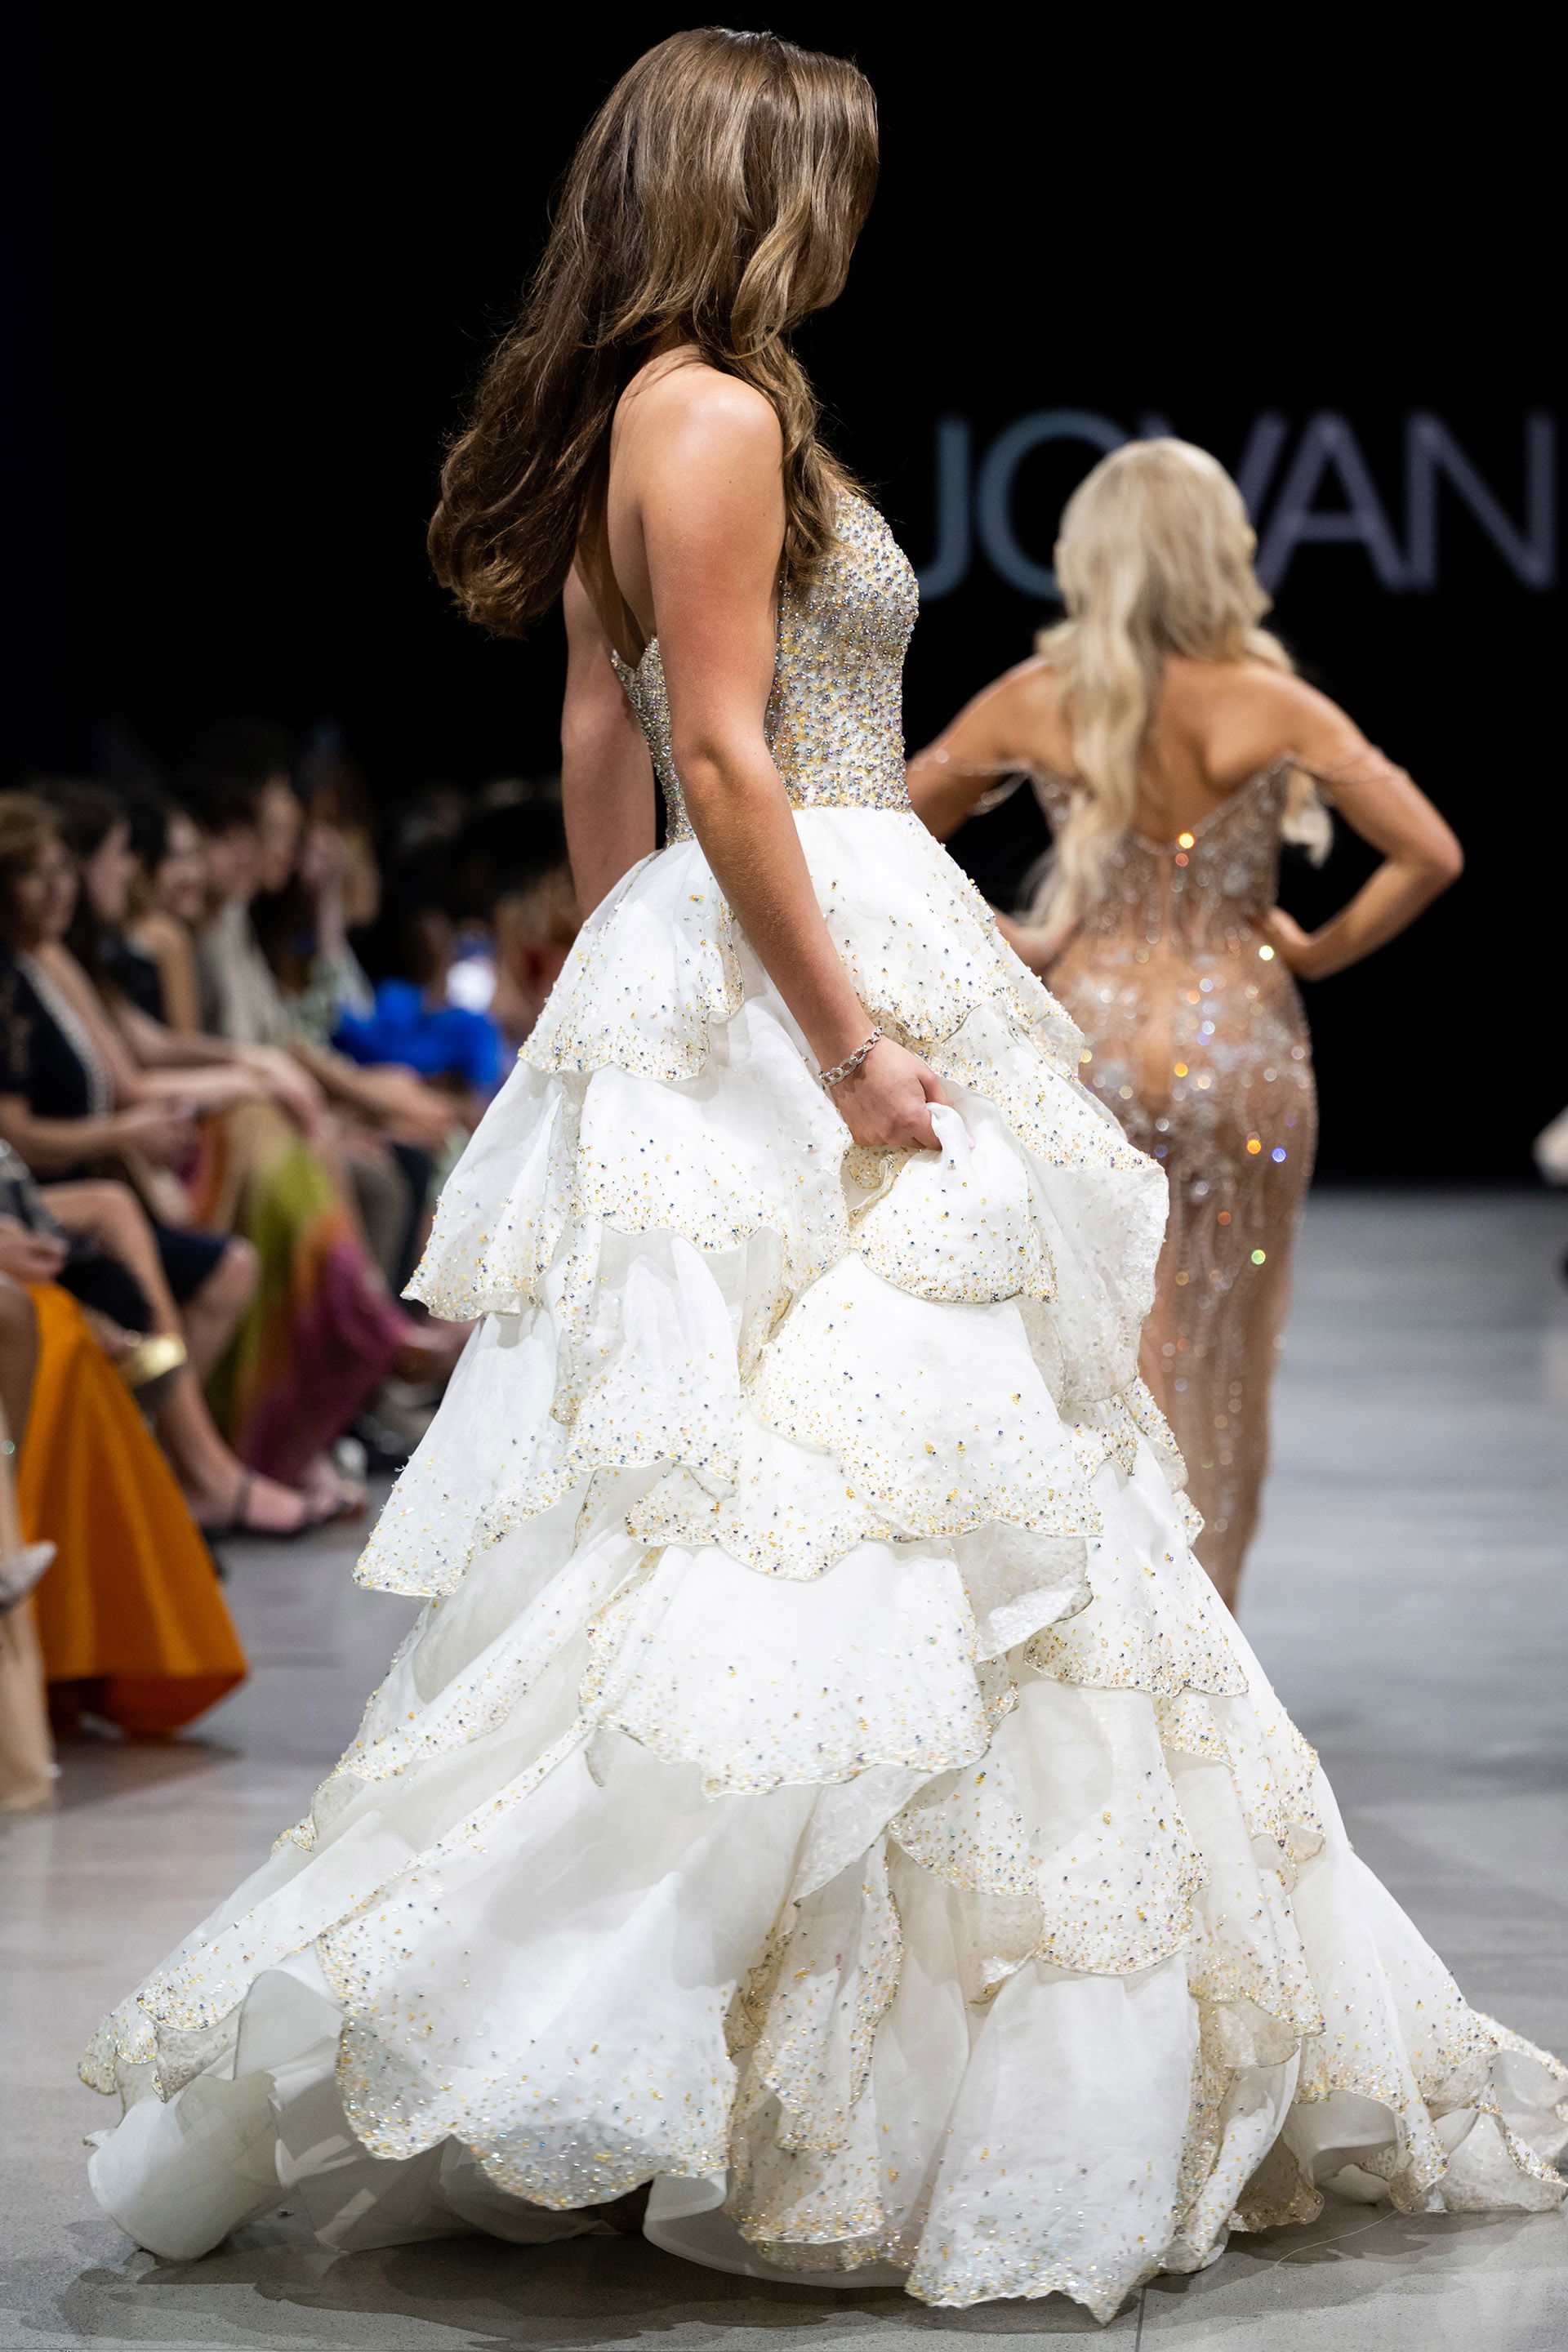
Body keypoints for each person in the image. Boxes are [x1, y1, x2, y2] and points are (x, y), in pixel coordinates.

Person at [82, 32, 1564, 2321]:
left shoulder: (665, 408)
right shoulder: (712, 414)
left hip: (762, 953)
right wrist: (837, 1039)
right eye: (834, 177)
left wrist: (638, 994)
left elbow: (602, 739)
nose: (854, 217)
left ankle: (791, 2044)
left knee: (834, 1499)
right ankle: (837, 2071)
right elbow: (716, 748)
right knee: (885, 1495)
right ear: (758, 182)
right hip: (825, 952)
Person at [907, 440, 1463, 1610]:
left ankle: (1109, 1641)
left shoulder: (1036, 698)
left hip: (1090, 1046)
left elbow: (881, 833)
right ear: (1222, 552)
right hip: (1242, 1048)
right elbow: (1431, 852)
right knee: (1224, 1356)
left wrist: (1016, 939)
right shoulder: (1275, 703)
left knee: (1102, 1355)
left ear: (1089, 555)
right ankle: (1210, 1639)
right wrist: (1316, 949)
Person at [0, 792, 322, 1533]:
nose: (57, 889)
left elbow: (132, 1072)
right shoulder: (22, 974)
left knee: (235, 1244)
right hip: (52, 1193)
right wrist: (131, 1134)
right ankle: (200, 1471)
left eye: (63, 870)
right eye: (34, 873)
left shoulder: (50, 961)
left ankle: (188, 1466)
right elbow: (20, 1127)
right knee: (228, 1163)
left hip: (77, 1184)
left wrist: (252, 1069)